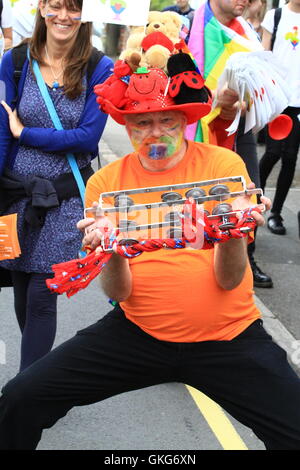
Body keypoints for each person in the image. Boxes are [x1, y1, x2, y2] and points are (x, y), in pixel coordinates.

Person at [1, 51, 300, 452]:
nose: (155, 133)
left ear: (184, 121)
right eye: (142, 122)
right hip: (138, 334)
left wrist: (232, 232)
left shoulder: (223, 166)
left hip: (228, 337)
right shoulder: (107, 182)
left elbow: (229, 280)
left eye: (167, 121)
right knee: (20, 399)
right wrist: (112, 249)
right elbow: (119, 293)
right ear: (126, 126)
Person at [0, 0, 113, 371]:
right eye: (56, 6)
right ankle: (36, 374)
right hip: (16, 194)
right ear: (42, 9)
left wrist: (26, 132)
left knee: (41, 293)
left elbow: (86, 138)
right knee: (19, 285)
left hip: (66, 195)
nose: (64, 16)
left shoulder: (100, 67)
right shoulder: (14, 63)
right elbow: (3, 132)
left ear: (85, 14)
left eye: (74, 8)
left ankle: (23, 390)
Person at [187, 0, 273, 288]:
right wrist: (214, 100)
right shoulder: (187, 28)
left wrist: (242, 105)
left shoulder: (248, 34)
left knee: (251, 197)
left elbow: (258, 95)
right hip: (194, 133)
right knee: (195, 202)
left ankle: (247, 259)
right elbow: (171, 90)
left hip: (238, 129)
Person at [259, 0, 300, 235]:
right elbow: (264, 57)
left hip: (298, 103)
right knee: (273, 152)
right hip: (277, 99)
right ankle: (257, 197)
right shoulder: (275, 16)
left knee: (290, 157)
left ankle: (277, 213)